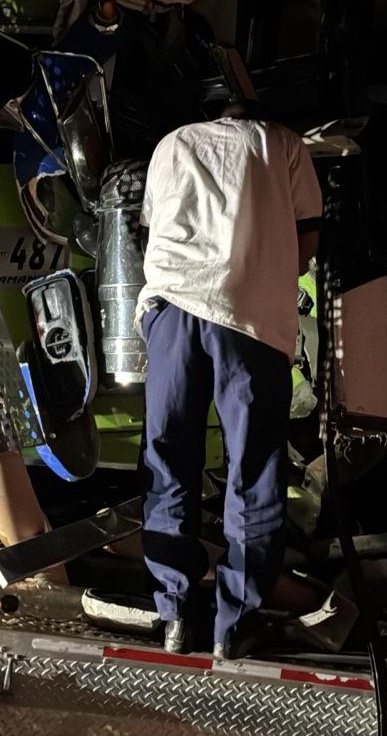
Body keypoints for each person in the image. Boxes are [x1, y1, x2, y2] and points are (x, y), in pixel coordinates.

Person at [137, 101, 323, 659]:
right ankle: (234, 625)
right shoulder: (284, 143)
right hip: (248, 320)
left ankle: (174, 613)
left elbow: (150, 227)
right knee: (253, 470)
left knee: (169, 461)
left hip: (172, 312)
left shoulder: (170, 142)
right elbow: (307, 244)